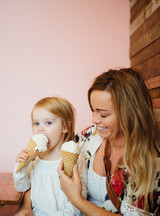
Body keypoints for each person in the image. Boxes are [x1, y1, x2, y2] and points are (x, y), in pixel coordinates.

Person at [57, 68, 160, 216]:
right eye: (93, 110)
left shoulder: (151, 162)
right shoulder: (89, 135)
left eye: (104, 114)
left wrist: (77, 200)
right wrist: (26, 205)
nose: (94, 120)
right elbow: (44, 168)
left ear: (130, 112)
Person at [14, 96, 87, 216]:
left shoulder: (76, 158)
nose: (40, 129)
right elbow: (22, 187)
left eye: (48, 123)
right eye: (36, 123)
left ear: (65, 127)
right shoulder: (35, 158)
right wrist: (21, 166)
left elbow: (80, 198)